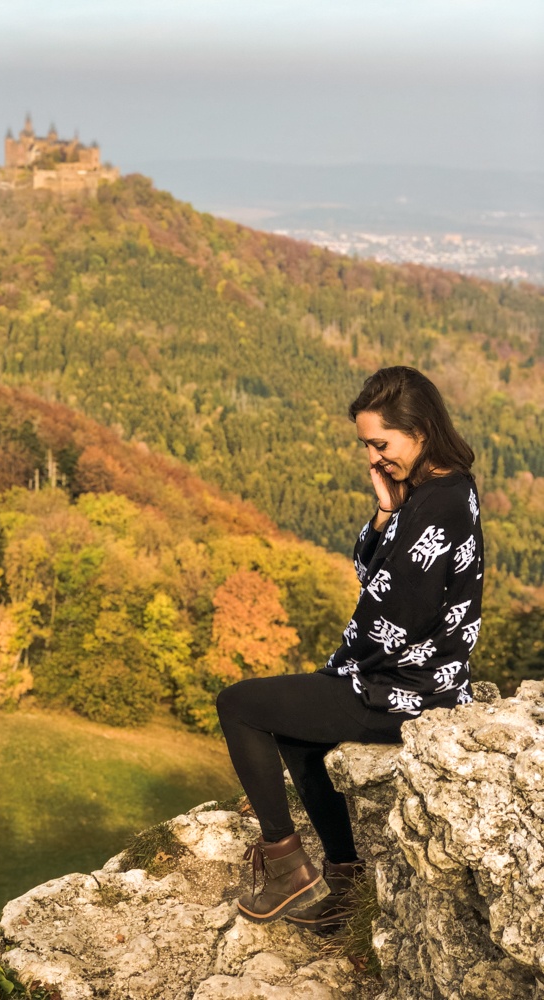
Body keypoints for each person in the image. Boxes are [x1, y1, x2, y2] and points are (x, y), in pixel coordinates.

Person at [216, 366, 483, 931]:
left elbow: (392, 618)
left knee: (239, 705)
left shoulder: (438, 505)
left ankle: (289, 868)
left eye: (381, 444)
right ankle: (345, 879)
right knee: (295, 730)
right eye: (366, 445)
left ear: (421, 430)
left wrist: (336, 675)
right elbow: (373, 573)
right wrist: (387, 507)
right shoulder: (439, 489)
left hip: (403, 692)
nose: (373, 457)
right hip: (409, 681)